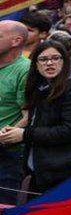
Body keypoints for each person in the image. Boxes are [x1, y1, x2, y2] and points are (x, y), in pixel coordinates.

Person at [0, 41, 71, 196]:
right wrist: (15, 131)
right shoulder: (42, 86)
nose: (49, 63)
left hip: (62, 170)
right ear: (35, 64)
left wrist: (23, 134)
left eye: (55, 58)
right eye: (43, 59)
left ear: (65, 61)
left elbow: (69, 131)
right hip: (41, 169)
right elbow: (40, 122)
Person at [0, 21, 31, 204]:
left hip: (7, 153)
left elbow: (28, 116)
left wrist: (4, 135)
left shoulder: (24, 70)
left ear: (16, 41)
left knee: (4, 206)